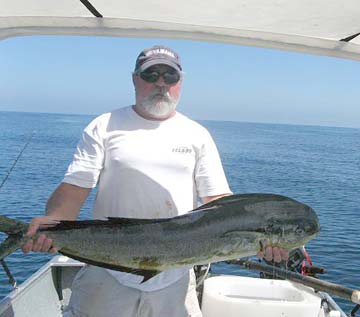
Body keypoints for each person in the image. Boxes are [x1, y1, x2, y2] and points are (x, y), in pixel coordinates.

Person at [22, 45, 288, 317]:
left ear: (180, 83)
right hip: (108, 268)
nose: (161, 83)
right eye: (151, 75)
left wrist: (261, 236)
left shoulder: (197, 135)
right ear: (135, 79)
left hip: (175, 274)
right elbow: (75, 186)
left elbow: (218, 202)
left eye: (169, 76)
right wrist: (53, 220)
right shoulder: (104, 126)